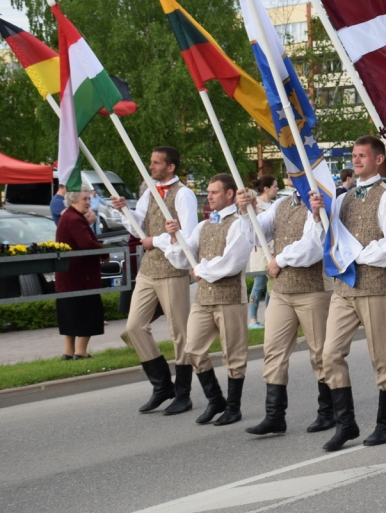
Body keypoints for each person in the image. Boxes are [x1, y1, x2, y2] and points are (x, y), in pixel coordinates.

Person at [317, 135, 386, 452]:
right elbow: (329, 240)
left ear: (379, 159)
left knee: (382, 358)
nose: (356, 160)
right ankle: (346, 423)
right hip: (344, 288)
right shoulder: (343, 198)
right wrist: (318, 216)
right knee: (329, 354)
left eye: (362, 155)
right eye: (354, 155)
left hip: (374, 288)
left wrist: (356, 256)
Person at [110, 146, 200, 415]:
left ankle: (183, 393)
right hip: (149, 269)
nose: (151, 167)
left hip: (173, 268)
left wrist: (156, 240)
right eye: (151, 162)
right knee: (134, 327)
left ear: (170, 166)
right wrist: (125, 211)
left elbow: (189, 233)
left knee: (180, 332)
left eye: (156, 163)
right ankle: (162, 384)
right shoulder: (149, 192)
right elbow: (140, 225)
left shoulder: (184, 194)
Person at [240, 186, 336, 436]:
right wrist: (245, 211)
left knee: (321, 353)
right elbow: (254, 235)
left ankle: (328, 411)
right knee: (273, 351)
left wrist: (279, 260)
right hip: (282, 290)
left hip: (313, 289)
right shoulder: (281, 205)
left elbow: (312, 249)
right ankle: (274, 416)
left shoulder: (321, 201)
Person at [164, 174, 253, 426]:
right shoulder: (203, 226)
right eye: (209, 191)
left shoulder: (239, 223)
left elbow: (232, 262)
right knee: (192, 349)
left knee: (233, 356)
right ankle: (215, 399)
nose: (210, 196)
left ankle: (233, 407)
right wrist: (174, 238)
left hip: (230, 298)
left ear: (229, 194)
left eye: (214, 192)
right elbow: (184, 258)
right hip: (203, 299)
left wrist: (201, 270)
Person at [55, 186, 106, 360]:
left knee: (70, 314)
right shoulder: (74, 219)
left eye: (88, 199)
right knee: (89, 312)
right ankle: (80, 351)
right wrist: (104, 251)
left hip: (70, 277)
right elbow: (86, 243)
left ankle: (68, 352)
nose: (88, 202)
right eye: (84, 199)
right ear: (73, 200)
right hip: (81, 277)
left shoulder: (69, 216)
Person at [248, 176, 278, 329]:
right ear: (266, 188)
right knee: (259, 284)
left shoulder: (274, 205)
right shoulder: (256, 205)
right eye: (275, 186)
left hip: (273, 251)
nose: (277, 189)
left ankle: (269, 316)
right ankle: (252, 319)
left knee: (270, 286)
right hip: (261, 251)